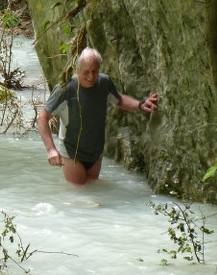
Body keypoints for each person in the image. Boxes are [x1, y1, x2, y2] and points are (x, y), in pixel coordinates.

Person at [37, 47, 158, 185]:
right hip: (72, 151)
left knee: (93, 190)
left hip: (96, 151)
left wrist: (141, 105)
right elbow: (42, 118)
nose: (91, 76)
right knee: (78, 193)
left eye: (95, 71)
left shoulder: (104, 83)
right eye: (86, 72)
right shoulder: (66, 88)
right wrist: (51, 150)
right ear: (78, 69)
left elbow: (119, 100)